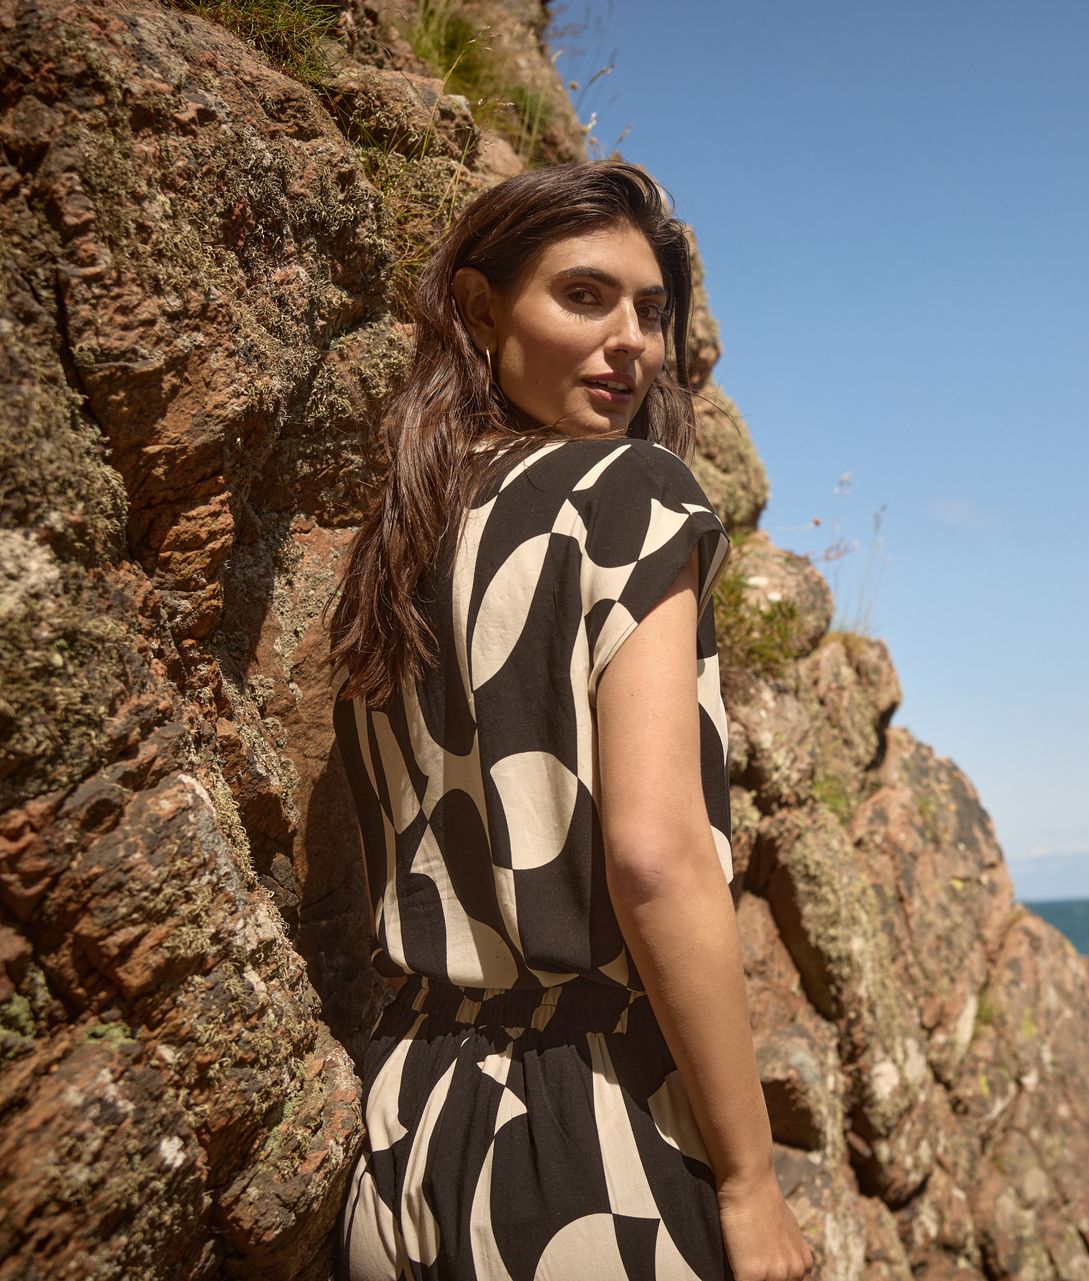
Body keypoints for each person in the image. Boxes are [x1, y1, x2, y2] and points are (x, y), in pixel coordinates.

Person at [322, 160, 814, 1281]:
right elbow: (653, 857)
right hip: (590, 1139)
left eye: (651, 310)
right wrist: (747, 1180)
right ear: (481, 310)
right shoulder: (633, 494)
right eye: (584, 296)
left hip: (404, 1127)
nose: (630, 341)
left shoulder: (400, 537)